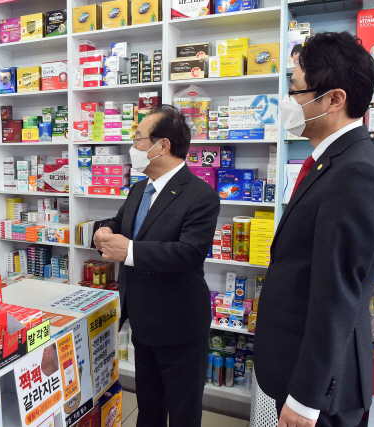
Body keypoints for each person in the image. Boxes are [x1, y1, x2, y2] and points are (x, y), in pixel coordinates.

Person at [254, 32, 374, 427]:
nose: (289, 102)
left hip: (322, 389)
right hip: (297, 361)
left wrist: (305, 399)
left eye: (296, 90)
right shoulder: (331, 161)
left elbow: (336, 296)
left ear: (334, 99)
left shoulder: (357, 173)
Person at [93, 105, 220, 427]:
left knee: (182, 409)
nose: (132, 148)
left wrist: (131, 251)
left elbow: (190, 253)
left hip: (179, 322)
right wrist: (105, 229)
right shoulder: (140, 188)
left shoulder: (200, 195)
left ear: (162, 145)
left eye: (138, 140)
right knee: (148, 405)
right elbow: (121, 222)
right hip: (141, 317)